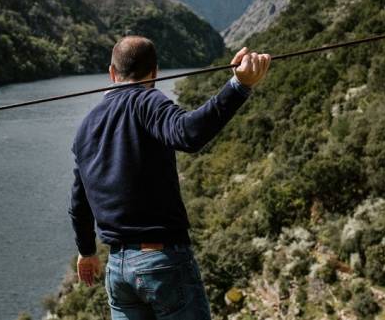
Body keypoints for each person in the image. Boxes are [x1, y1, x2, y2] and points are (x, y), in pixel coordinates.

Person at [68, 35, 271, 319]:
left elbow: (79, 201)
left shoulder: (85, 127)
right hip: (161, 261)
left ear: (112, 73)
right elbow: (188, 134)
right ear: (154, 73)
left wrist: (87, 251)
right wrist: (238, 86)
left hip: (118, 269)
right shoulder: (147, 100)